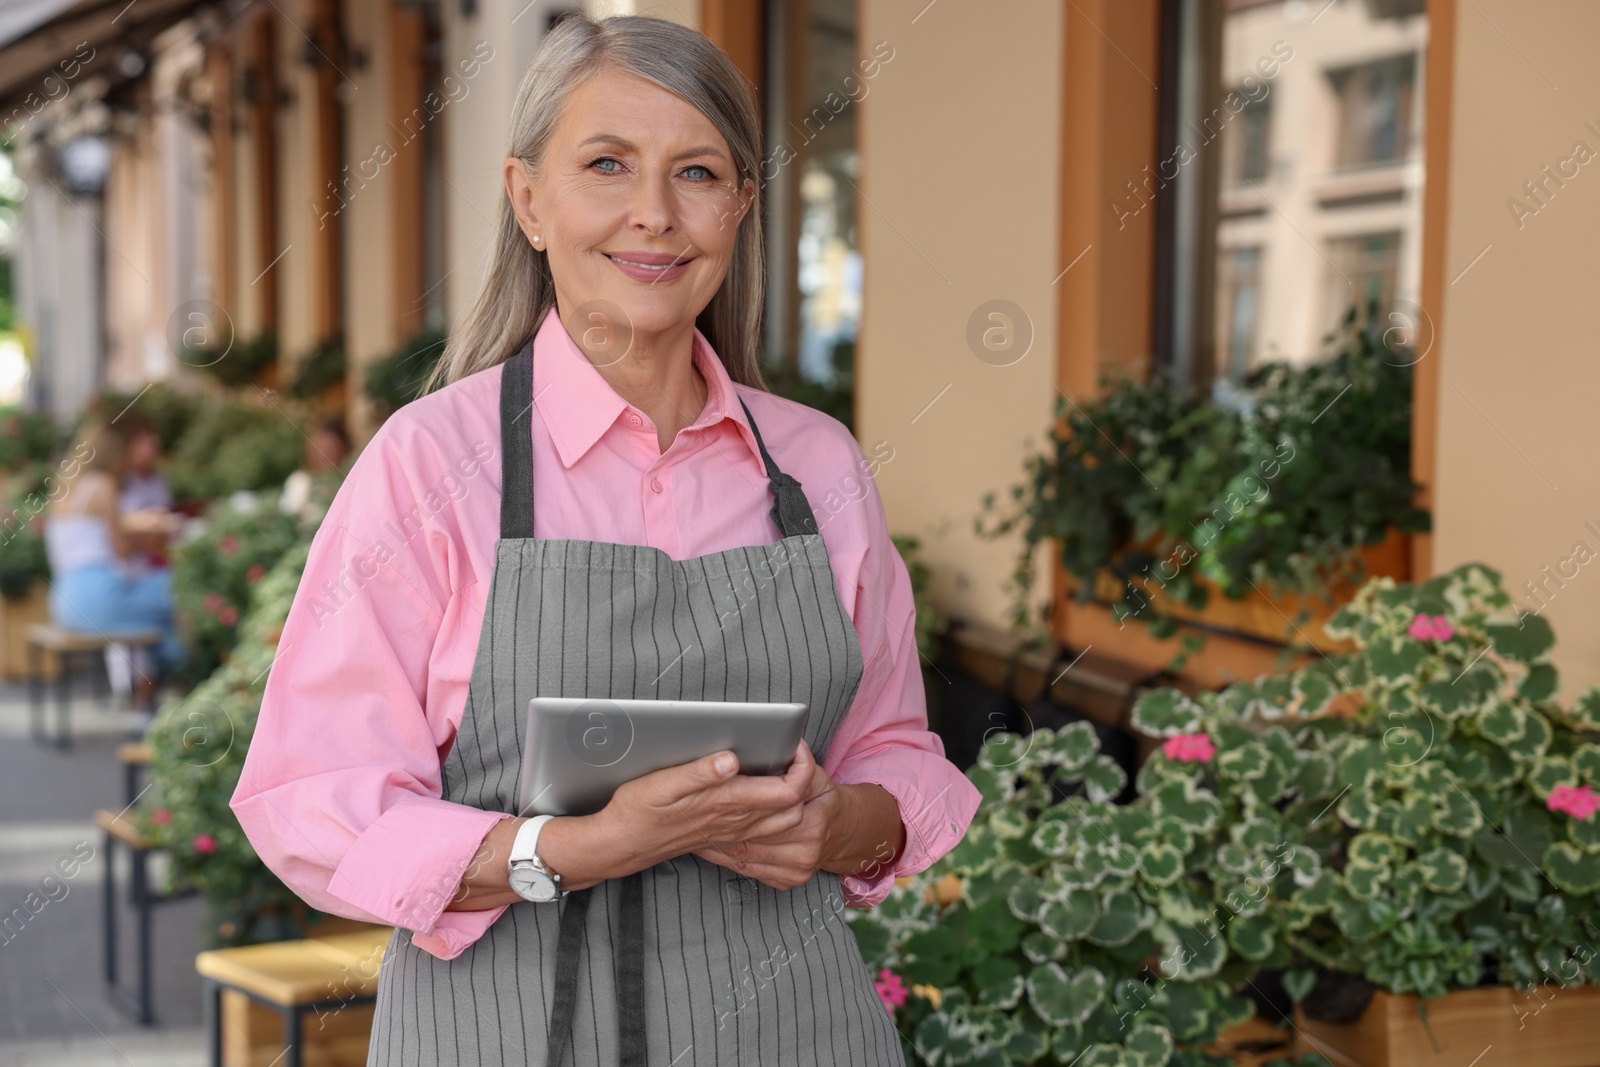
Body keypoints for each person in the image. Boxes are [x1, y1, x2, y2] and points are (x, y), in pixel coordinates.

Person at [230, 15, 980, 1066]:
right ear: (528, 198)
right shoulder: (431, 464)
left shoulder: (819, 466)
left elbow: (894, 752)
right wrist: (567, 850)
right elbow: (311, 794)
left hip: (798, 1028)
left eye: (699, 173)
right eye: (607, 164)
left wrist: (845, 825)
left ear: (741, 206)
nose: (655, 215)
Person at [44, 420, 184, 711]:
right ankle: (175, 686)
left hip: (64, 602)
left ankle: (146, 702)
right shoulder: (103, 485)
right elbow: (120, 551)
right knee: (180, 590)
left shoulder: (64, 488)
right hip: (98, 599)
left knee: (161, 607)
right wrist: (146, 536)